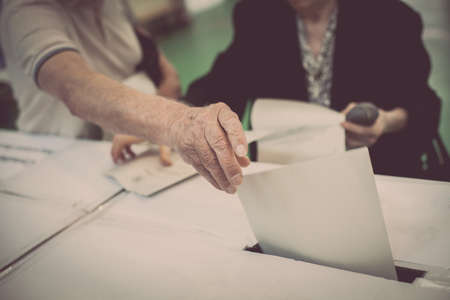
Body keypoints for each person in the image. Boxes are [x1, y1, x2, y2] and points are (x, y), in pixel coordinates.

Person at [0, 0, 249, 193]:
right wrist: (175, 123)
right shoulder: (23, 12)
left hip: (133, 148)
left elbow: (163, 69)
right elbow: (74, 87)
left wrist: (154, 122)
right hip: (67, 159)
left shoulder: (111, 4)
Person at [184, 0, 442, 177]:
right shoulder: (258, 14)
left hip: (377, 171)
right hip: (291, 175)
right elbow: (222, 83)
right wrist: (182, 118)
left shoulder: (389, 17)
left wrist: (386, 122)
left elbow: (423, 106)